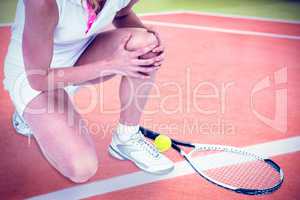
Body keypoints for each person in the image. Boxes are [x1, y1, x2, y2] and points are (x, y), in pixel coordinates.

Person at [3, 0, 174, 183]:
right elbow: (38, 78)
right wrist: (110, 65)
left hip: (81, 55)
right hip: (34, 75)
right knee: (81, 167)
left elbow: (122, 13)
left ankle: (126, 137)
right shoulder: (43, 3)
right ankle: (29, 115)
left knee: (146, 45)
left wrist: (151, 43)